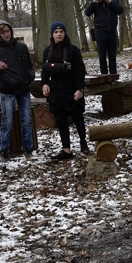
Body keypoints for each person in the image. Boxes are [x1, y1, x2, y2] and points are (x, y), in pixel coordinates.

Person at [0, 20, 35, 162]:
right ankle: (4, 151)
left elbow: (30, 66)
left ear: (11, 31)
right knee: (7, 121)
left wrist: (30, 76)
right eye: (2, 32)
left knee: (27, 120)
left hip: (24, 89)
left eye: (7, 31)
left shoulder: (22, 47)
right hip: (7, 91)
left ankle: (28, 149)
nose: (6, 34)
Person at [42, 21, 88, 159]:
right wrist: (45, 83)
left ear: (65, 33)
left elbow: (80, 70)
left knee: (78, 118)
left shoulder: (73, 50)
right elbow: (45, 70)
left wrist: (80, 89)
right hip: (56, 91)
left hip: (72, 89)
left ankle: (83, 142)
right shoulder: (47, 51)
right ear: (52, 34)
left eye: (61, 31)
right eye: (56, 32)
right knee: (61, 121)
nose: (59, 34)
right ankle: (66, 149)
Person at [85, 0, 124, 74]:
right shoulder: (96, 2)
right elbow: (87, 13)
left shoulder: (114, 1)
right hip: (99, 32)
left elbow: (120, 10)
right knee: (102, 57)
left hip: (111, 32)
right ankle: (104, 76)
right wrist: (94, 2)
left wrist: (109, 2)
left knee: (112, 57)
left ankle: (113, 75)